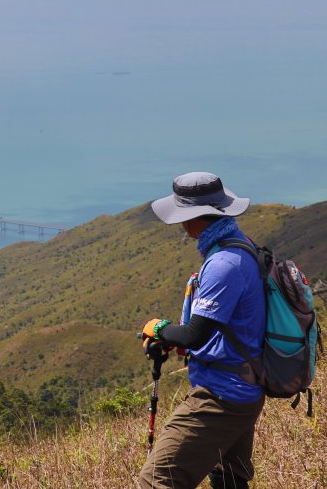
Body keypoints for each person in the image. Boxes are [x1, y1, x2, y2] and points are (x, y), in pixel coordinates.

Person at [137, 172, 267, 489]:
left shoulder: (224, 263)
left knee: (156, 481)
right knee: (228, 480)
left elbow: (196, 334)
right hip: (242, 385)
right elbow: (217, 328)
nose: (181, 226)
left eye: (183, 218)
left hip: (221, 396)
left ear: (195, 218)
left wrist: (159, 328)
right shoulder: (238, 245)